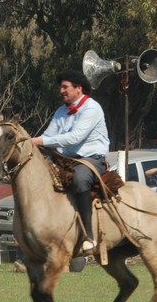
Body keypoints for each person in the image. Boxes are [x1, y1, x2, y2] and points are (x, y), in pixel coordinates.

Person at [31, 70, 109, 254]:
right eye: (61, 87)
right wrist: (31, 142)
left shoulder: (92, 108)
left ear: (78, 89)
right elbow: (49, 135)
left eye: (65, 87)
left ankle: (88, 235)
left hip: (91, 159)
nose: (61, 91)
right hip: (66, 160)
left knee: (80, 179)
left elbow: (75, 137)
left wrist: (40, 141)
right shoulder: (61, 111)